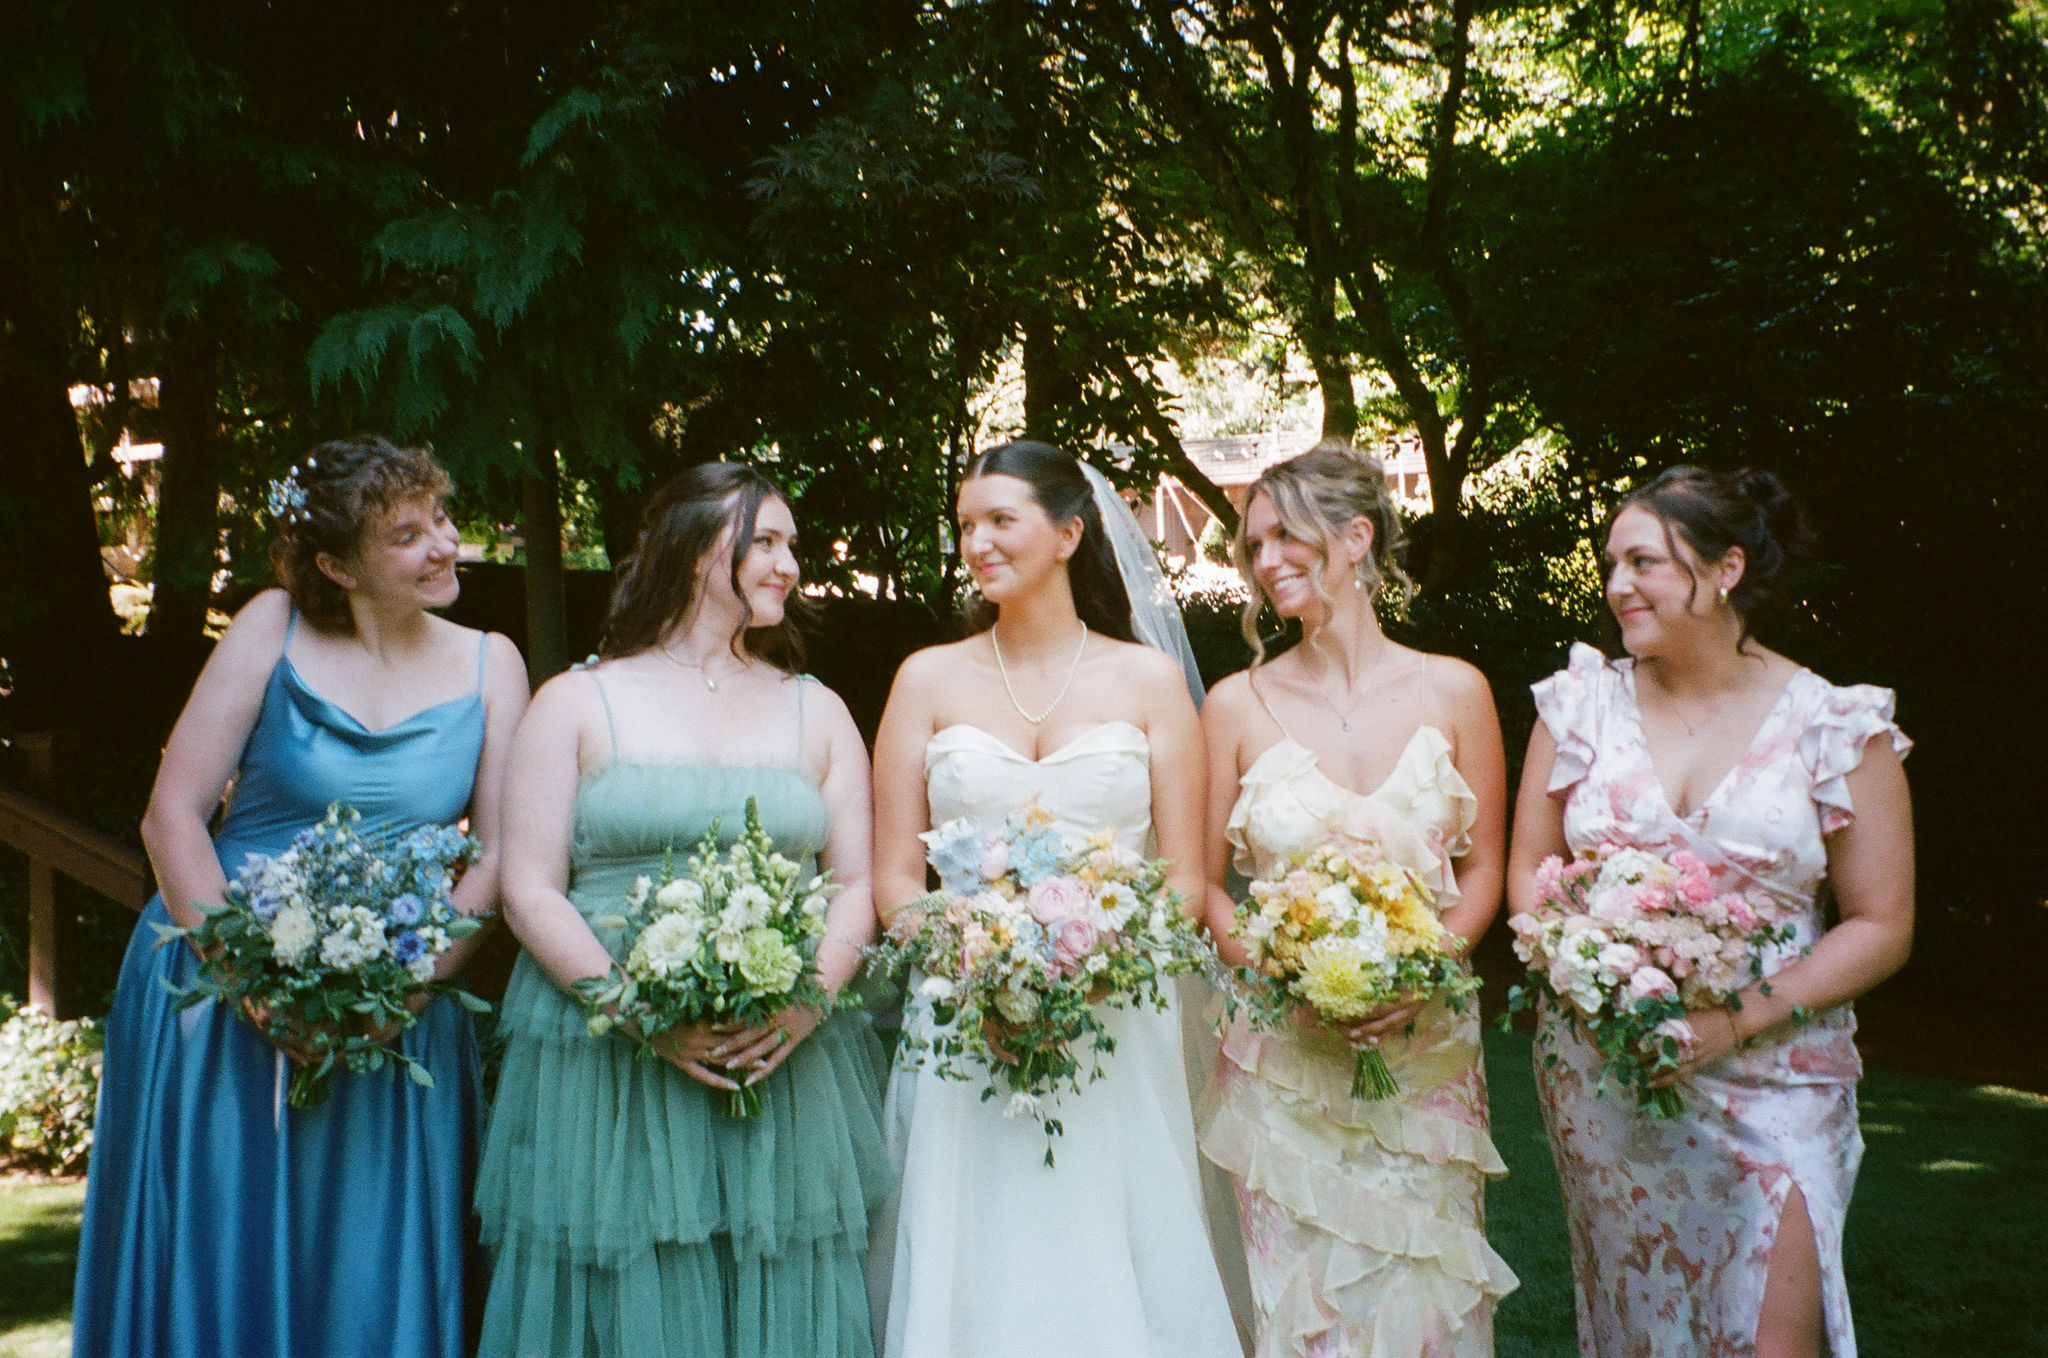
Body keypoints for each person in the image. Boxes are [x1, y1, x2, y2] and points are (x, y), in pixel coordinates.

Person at [72, 436, 528, 1357]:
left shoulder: (493, 662)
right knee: (220, 1234)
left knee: (366, 1257)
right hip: (221, 988)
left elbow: (498, 854)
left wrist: (409, 990)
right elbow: (174, 816)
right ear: (336, 565)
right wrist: (252, 983)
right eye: (408, 534)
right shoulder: (271, 625)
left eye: (440, 518)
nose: (444, 543)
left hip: (398, 999)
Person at [473, 462, 886, 1358]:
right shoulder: (577, 703)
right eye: (765, 541)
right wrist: (636, 1015)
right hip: (607, 1065)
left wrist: (807, 1000)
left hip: (780, 1053)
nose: (788, 565)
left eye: (791, 546)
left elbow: (857, 883)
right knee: (625, 1287)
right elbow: (529, 888)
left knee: (775, 1273)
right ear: (701, 550)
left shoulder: (817, 711)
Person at [1506, 466, 1914, 1358]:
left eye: (1644, 561)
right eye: (1610, 562)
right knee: (1639, 1324)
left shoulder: (1836, 725)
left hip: (1778, 1068)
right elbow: (1530, 877)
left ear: (1726, 568)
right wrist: (1590, 973)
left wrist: (1734, 1022)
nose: (1616, 585)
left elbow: (1882, 923)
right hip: (1609, 1068)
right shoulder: (1577, 707)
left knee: (1778, 1336)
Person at [866, 439, 1241, 1358]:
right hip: (960, 1014)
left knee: (1113, 1239)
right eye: (965, 525)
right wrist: (979, 968)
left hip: (1114, 1011)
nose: (977, 542)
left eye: (1002, 520)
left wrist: (1089, 973)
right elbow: (892, 883)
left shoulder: (1148, 682)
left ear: (1071, 533)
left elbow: (1185, 883)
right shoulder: (926, 677)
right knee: (974, 1241)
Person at [1197, 443, 1519, 1357]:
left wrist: (1425, 969)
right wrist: (1288, 978)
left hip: (1428, 1050)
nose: (1265, 562)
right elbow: (1206, 888)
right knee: (1299, 1308)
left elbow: (1486, 869)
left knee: (1428, 1297)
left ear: (1356, 536)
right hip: (1282, 1061)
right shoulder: (1234, 704)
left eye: (1284, 536)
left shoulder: (1456, 690)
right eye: (1252, 546)